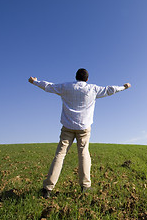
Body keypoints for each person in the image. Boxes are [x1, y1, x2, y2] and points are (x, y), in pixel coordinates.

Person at [28, 68, 131, 198]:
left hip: (67, 127)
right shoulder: (92, 89)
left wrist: (35, 82)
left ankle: (48, 188)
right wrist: (123, 87)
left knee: (60, 155)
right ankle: (85, 186)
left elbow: (48, 86)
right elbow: (110, 90)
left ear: (76, 77)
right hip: (84, 128)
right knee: (83, 154)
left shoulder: (66, 87)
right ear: (87, 79)